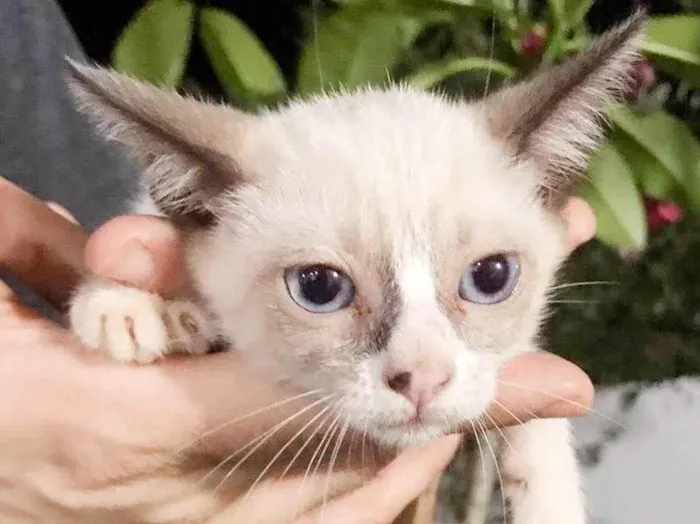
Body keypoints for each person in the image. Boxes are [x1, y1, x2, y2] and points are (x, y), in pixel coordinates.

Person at [0, 1, 596, 521]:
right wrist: (124, 294)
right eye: (321, 286)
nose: (421, 372)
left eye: (488, 278)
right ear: (202, 210)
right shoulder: (198, 237)